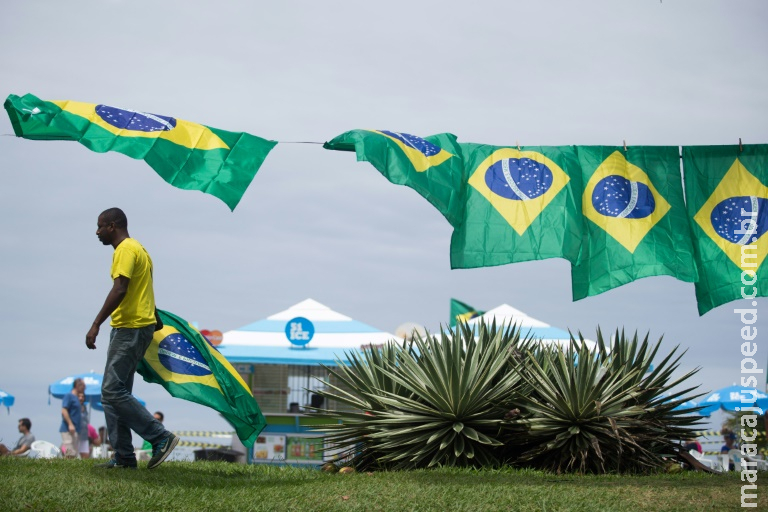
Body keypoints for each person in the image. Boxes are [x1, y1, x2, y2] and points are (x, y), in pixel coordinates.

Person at [86, 208, 178, 469]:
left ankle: (161, 438)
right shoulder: (140, 249)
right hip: (135, 326)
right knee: (114, 392)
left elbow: (121, 287)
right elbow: (143, 289)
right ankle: (125, 457)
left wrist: (95, 324)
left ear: (112, 226)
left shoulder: (125, 249)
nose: (97, 232)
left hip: (130, 328)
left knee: (112, 390)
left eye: (100, 226)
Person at [60, 378, 85, 458]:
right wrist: (70, 424)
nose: (84, 389)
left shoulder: (76, 398)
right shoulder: (69, 396)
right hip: (68, 429)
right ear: (77, 386)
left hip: (76, 429)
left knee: (74, 452)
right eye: (83, 387)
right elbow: (64, 410)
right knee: (70, 452)